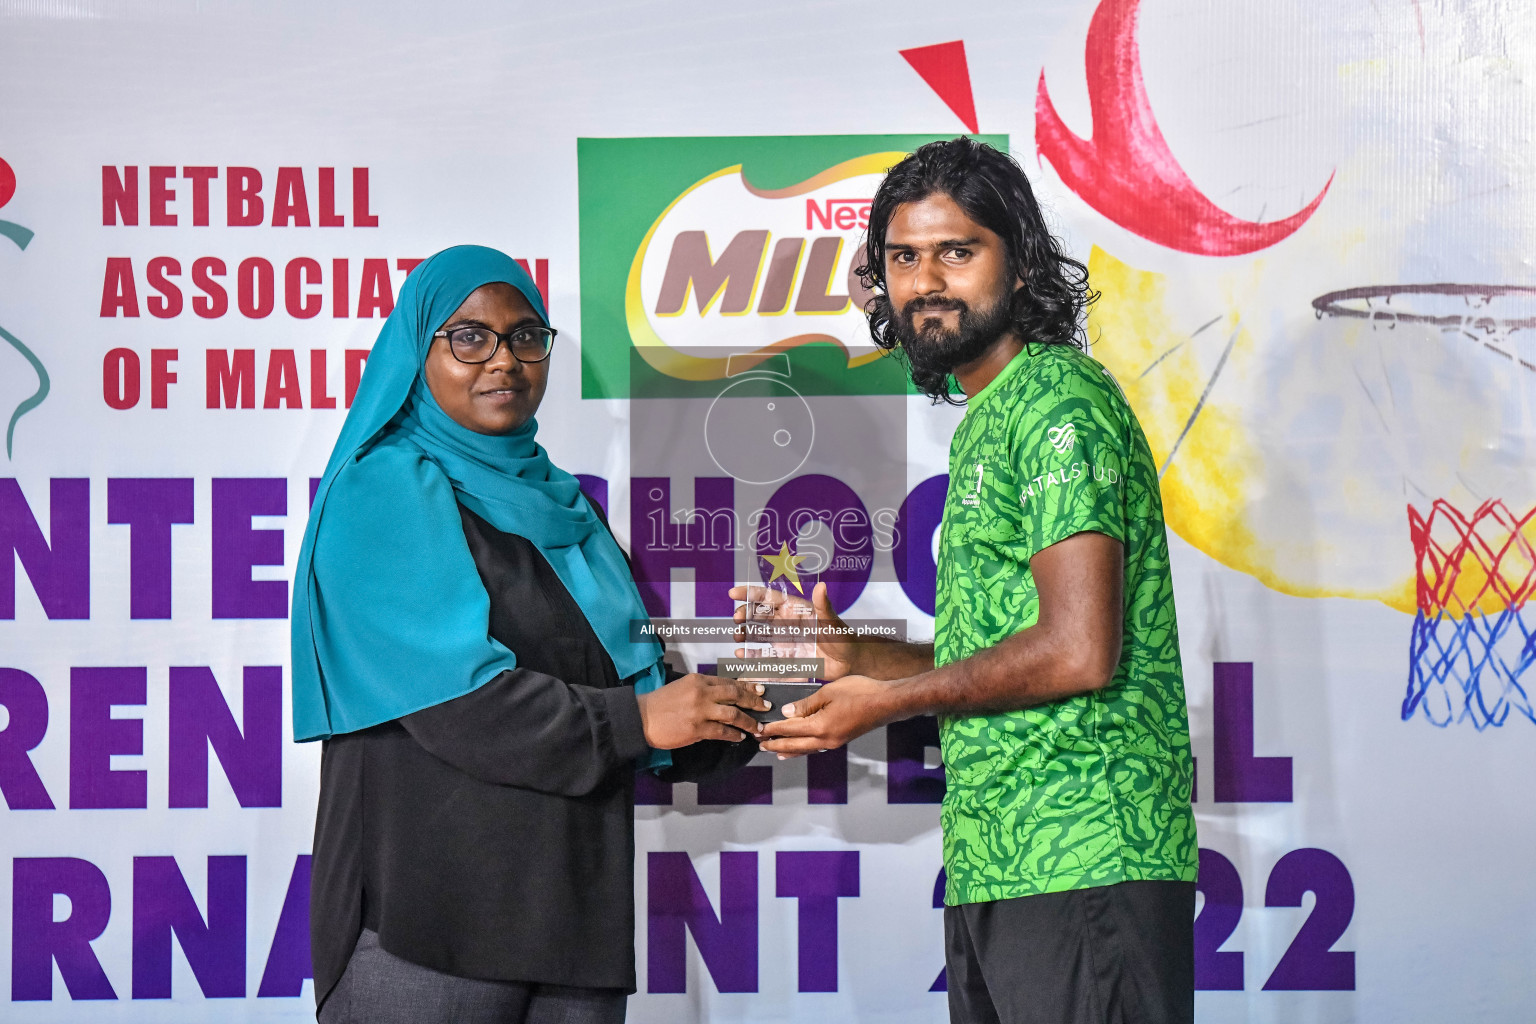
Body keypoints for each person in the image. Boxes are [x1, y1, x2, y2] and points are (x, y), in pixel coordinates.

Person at [748, 139, 1198, 1024]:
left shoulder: (1059, 404)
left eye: (957, 251)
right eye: (903, 258)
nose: (927, 282)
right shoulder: (989, 417)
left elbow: (1077, 651)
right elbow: (991, 653)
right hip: (1001, 859)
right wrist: (855, 657)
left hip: (1087, 853)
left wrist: (883, 706)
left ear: (1021, 260)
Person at [290, 245, 767, 1024]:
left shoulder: (565, 508)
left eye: (524, 336)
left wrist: (766, 692)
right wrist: (641, 720)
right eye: (469, 337)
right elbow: (462, 705)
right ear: (418, 350)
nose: (503, 360)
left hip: (572, 929)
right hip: (427, 931)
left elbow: (643, 701)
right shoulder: (384, 486)